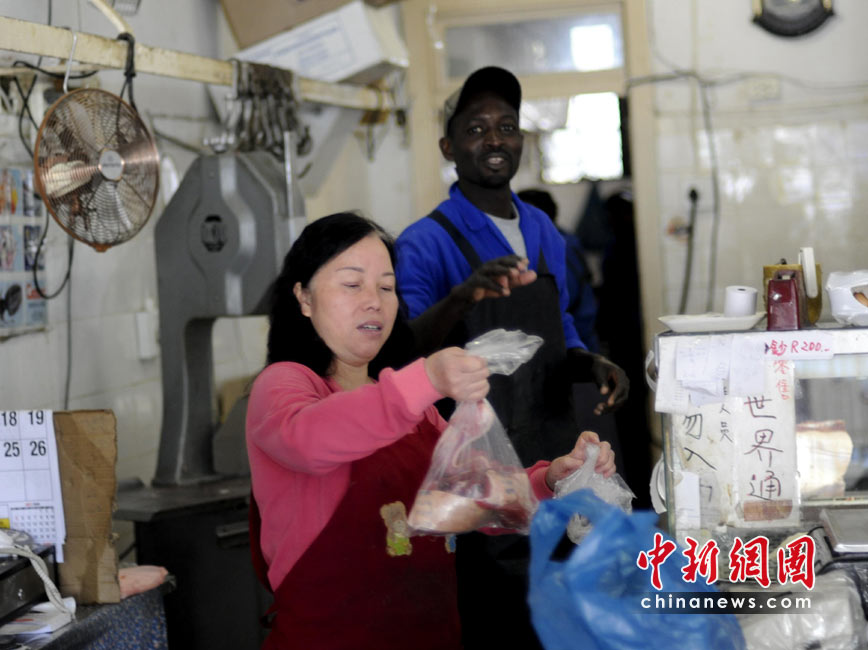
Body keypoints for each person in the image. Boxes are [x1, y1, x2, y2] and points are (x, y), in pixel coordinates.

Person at [245, 212, 616, 650]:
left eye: (387, 287)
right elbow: (310, 440)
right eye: (352, 284)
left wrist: (551, 478)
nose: (374, 301)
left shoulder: (417, 412)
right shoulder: (284, 386)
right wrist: (425, 380)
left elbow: (475, 498)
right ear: (304, 298)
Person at [394, 67, 629, 648]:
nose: (494, 139)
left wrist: (589, 362)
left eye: (506, 126)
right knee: (498, 606)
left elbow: (559, 322)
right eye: (476, 129)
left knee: (563, 590)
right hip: (479, 453)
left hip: (551, 437)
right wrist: (462, 295)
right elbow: (403, 351)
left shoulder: (542, 227)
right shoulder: (424, 241)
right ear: (448, 147)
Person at [517, 188, 600, 353]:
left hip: (573, 340)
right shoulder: (566, 239)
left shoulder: (554, 248)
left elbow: (559, 302)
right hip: (580, 333)